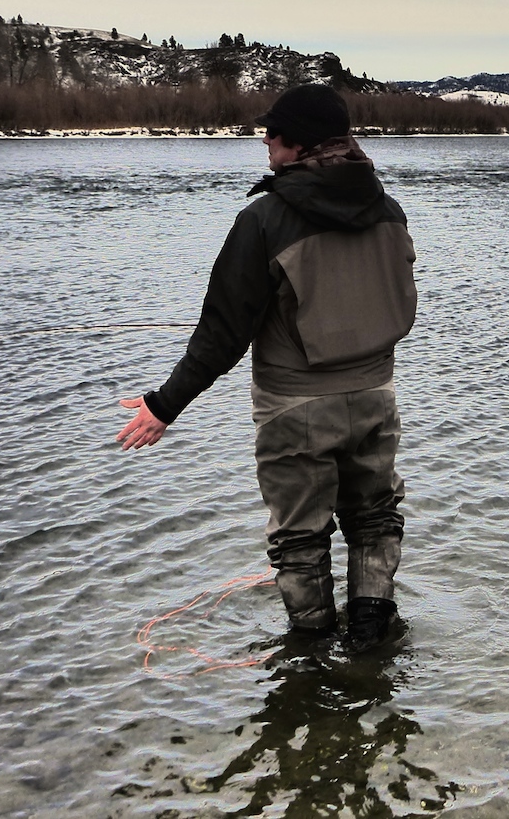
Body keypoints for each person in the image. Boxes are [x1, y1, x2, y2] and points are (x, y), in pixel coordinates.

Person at [116, 84, 418, 652]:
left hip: (295, 411)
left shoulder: (264, 219)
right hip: (378, 397)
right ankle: (372, 640)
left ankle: (311, 655)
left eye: (273, 133)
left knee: (300, 540)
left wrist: (163, 405)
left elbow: (222, 334)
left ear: (298, 144)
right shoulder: (389, 209)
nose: (264, 139)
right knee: (374, 518)